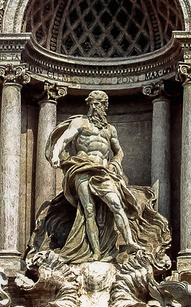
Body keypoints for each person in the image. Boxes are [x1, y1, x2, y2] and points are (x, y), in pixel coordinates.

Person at [47, 91, 142, 261]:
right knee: (88, 210)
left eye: (99, 104)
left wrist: (115, 163)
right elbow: (63, 140)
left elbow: (119, 151)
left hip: (103, 170)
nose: (95, 107)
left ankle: (129, 241)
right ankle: (96, 251)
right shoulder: (79, 122)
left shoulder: (110, 129)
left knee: (116, 203)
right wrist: (55, 154)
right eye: (93, 104)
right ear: (89, 105)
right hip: (82, 168)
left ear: (105, 106)